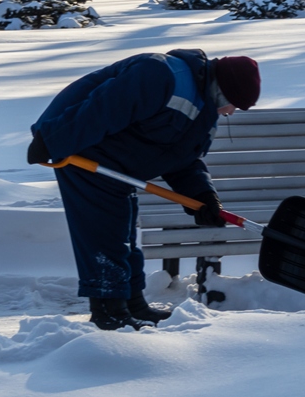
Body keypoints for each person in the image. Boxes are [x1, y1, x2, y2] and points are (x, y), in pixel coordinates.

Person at [26, 49, 261, 330]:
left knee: (125, 235)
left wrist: (201, 196)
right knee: (103, 233)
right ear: (223, 91)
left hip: (118, 166)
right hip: (83, 151)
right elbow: (102, 109)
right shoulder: (161, 73)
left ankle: (133, 304)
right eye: (233, 105)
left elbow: (183, 157)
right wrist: (51, 140)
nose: (231, 112)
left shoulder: (204, 110)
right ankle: (109, 311)